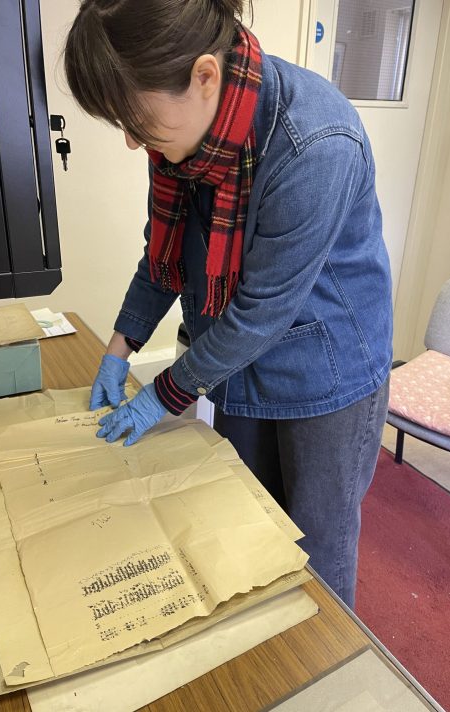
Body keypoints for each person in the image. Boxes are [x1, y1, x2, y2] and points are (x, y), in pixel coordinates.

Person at [64, 0, 393, 609]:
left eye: (135, 120)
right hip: (235, 357)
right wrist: (119, 347)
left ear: (205, 76)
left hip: (329, 366)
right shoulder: (181, 141)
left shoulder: (315, 141)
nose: (135, 142)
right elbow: (163, 255)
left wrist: (161, 395)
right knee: (245, 518)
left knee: (317, 546)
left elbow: (263, 309)